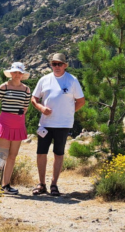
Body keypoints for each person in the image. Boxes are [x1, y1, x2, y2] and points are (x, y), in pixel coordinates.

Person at [30, 53, 85, 196]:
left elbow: (81, 101)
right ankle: (42, 184)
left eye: (60, 64)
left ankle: (54, 184)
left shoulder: (72, 80)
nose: (57, 66)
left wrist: (68, 112)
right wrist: (41, 108)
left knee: (58, 154)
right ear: (51, 65)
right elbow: (34, 98)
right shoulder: (44, 79)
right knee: (41, 153)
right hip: (45, 124)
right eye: (54, 64)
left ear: (65, 65)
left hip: (63, 124)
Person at [0, 62, 31, 195]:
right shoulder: (4, 86)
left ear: (22, 74)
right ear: (11, 73)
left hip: (18, 124)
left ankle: (5, 185)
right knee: (3, 155)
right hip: (5, 123)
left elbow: (25, 107)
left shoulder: (26, 89)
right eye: (15, 72)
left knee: (13, 156)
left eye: (19, 72)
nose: (17, 74)